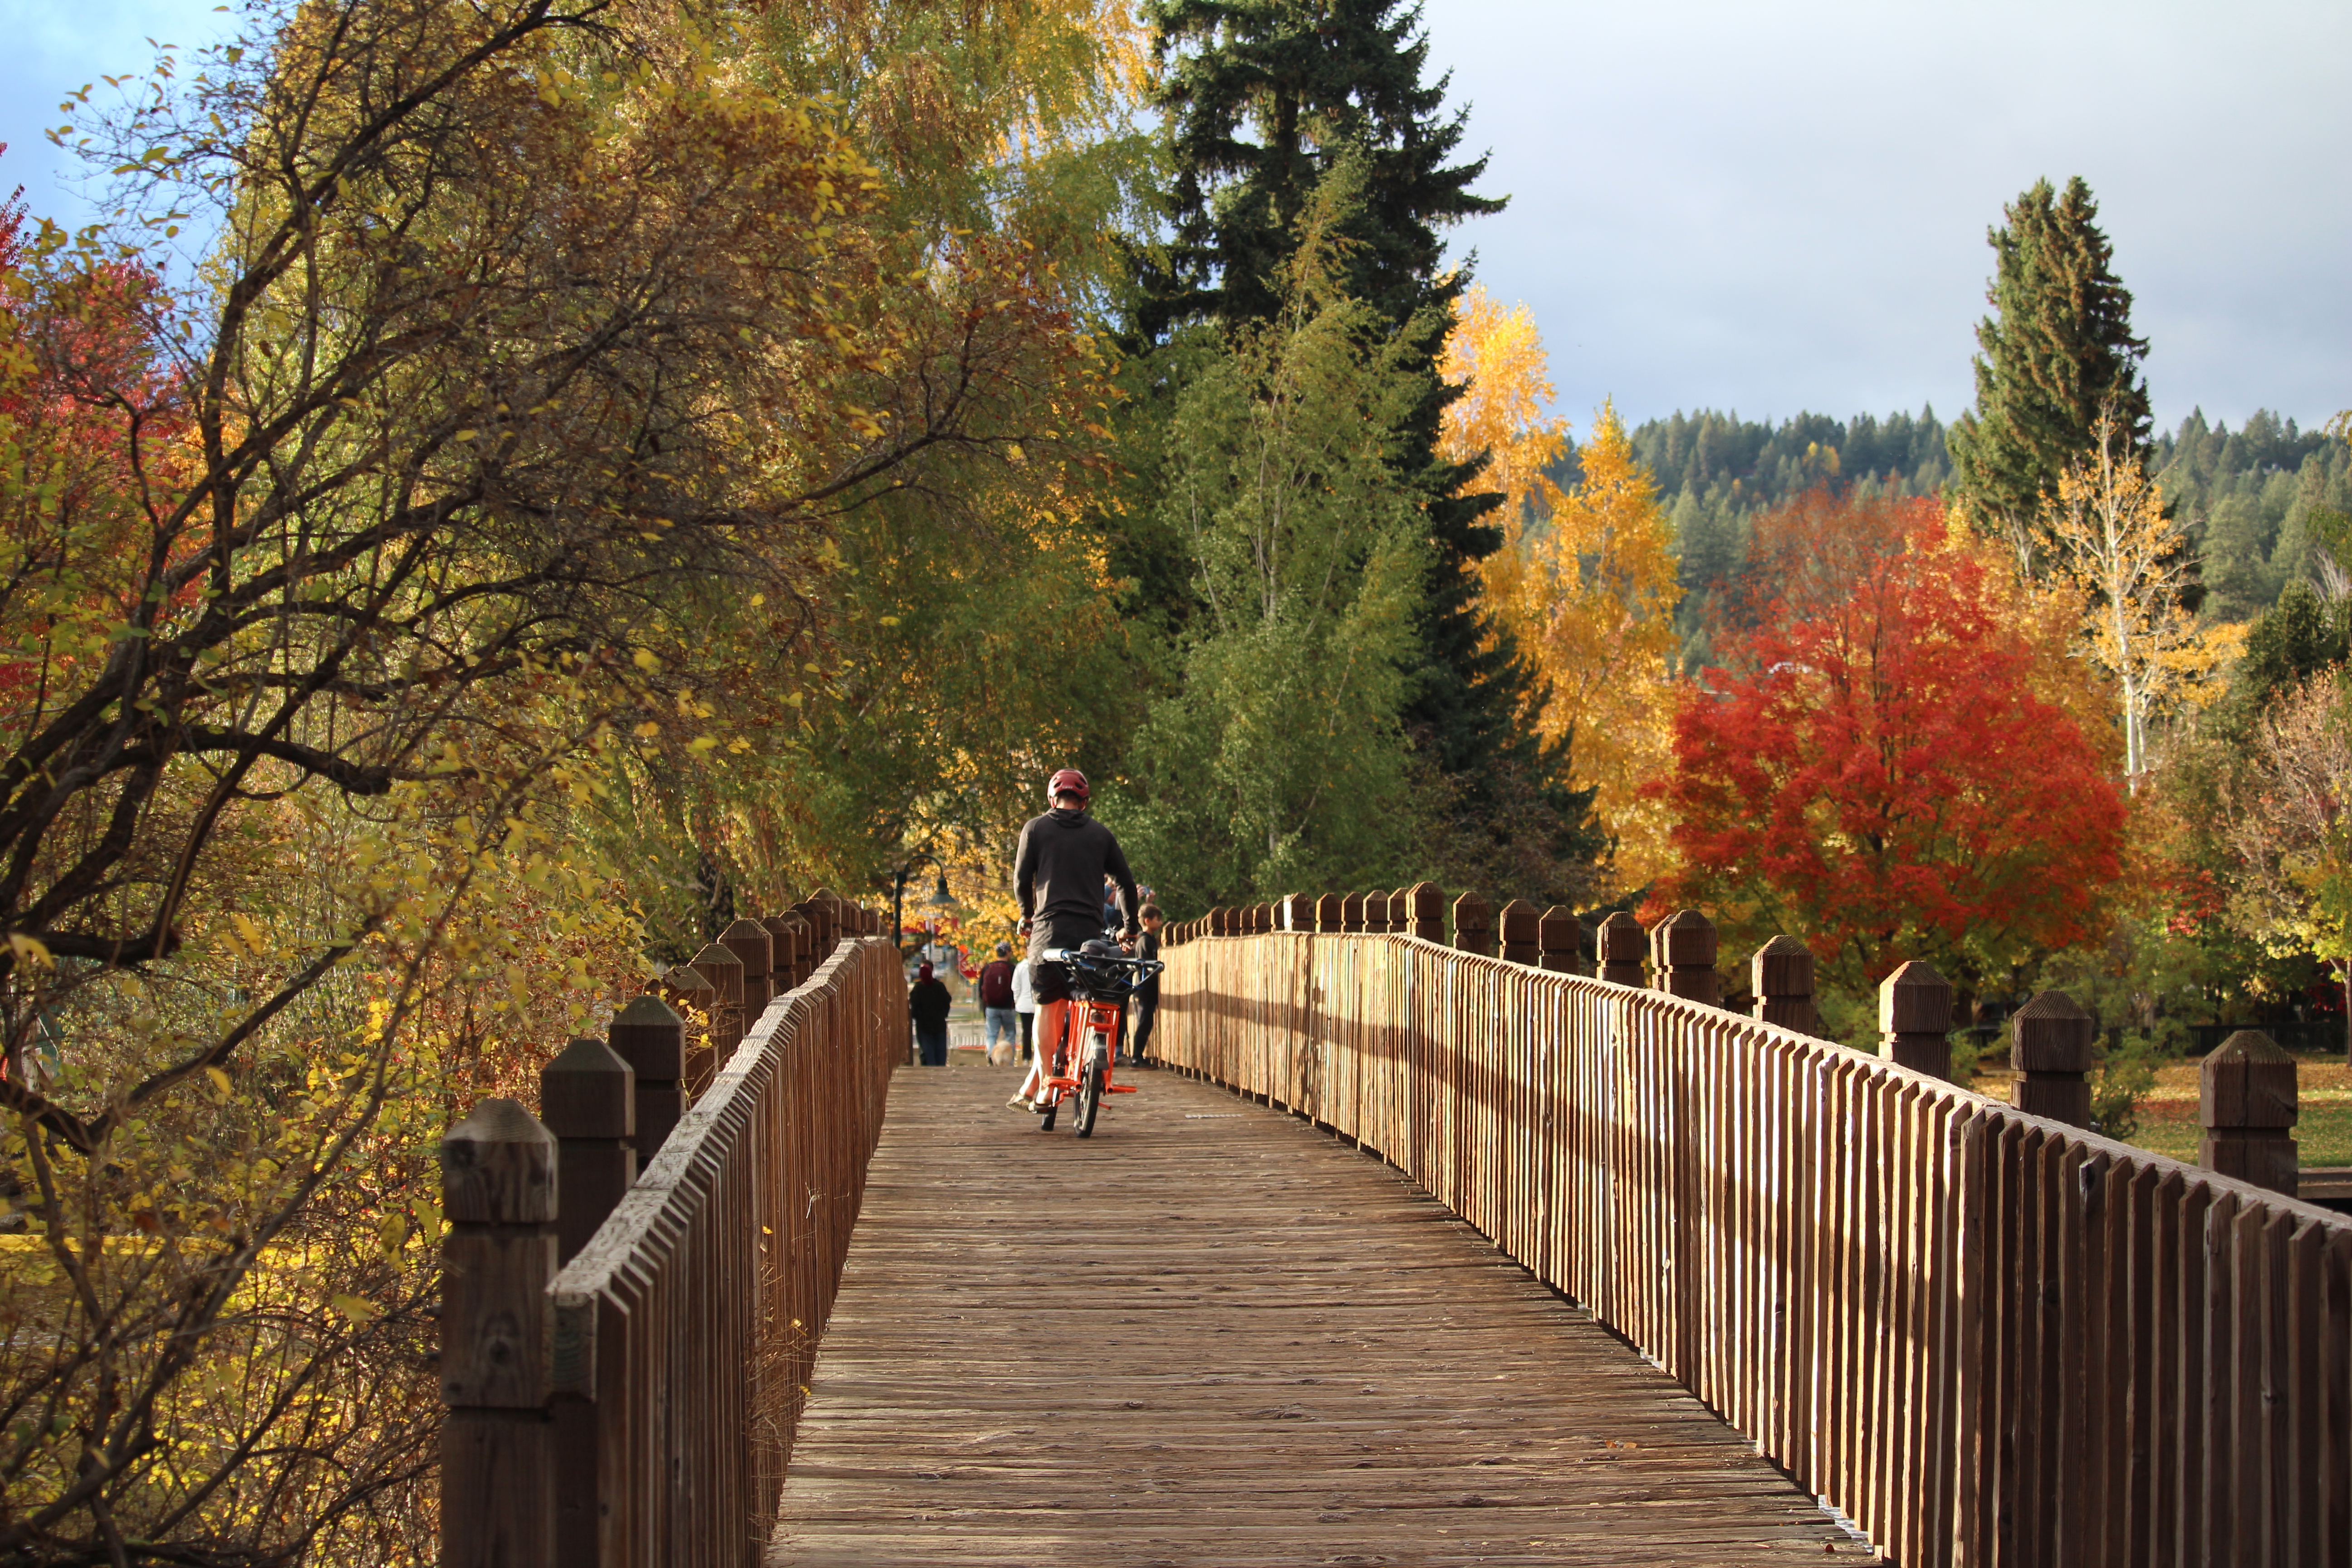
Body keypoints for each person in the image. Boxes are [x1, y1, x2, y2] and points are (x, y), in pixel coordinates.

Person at [1009, 766, 1139, 1110]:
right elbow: (1125, 884)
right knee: (1084, 996)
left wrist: (1026, 914)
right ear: (1084, 802)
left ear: (1053, 799)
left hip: (1048, 931)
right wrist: (1130, 927)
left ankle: (1046, 1085)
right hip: (1088, 937)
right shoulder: (1101, 834)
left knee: (1047, 1008)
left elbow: (1022, 878)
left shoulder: (1035, 828)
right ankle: (1057, 1075)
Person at [1127, 904, 1165, 1065]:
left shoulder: (1149, 940)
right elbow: (1145, 965)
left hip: (1149, 988)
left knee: (1147, 1022)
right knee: (1144, 1022)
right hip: (1144, 988)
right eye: (1158, 920)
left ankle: (1139, 1056)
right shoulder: (1144, 941)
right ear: (1148, 921)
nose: (1161, 923)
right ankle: (1136, 1057)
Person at [977, 941, 1019, 1067]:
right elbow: (1016, 987)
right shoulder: (1012, 968)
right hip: (1008, 1007)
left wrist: (984, 1006)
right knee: (1010, 1034)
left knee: (992, 1034)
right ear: (1008, 953)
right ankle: (1009, 1061)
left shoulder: (987, 968)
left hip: (991, 1007)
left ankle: (992, 1058)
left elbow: (980, 989)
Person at [908, 961, 952, 1067]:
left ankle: (931, 1070)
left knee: (928, 1051)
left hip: (924, 1026)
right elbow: (947, 1000)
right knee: (940, 1050)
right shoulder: (939, 986)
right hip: (939, 1024)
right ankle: (940, 1069)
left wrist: (916, 1016)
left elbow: (914, 1005)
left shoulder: (918, 989)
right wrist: (944, 1014)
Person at [1012, 952, 1037, 1061]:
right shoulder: (1039, 965)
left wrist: (1017, 1001)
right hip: (1038, 1004)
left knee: (1026, 1032)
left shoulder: (1020, 967)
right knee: (1038, 1032)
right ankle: (1038, 1057)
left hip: (1024, 1005)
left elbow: (1016, 986)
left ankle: (1026, 1057)